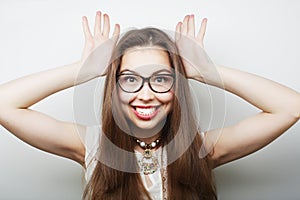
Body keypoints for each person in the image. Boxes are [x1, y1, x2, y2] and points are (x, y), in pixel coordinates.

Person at [0, 11, 299, 200]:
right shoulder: (90, 145)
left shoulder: (202, 149)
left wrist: (209, 72)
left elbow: (291, 107)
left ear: (177, 86)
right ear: (113, 89)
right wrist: (82, 71)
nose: (145, 94)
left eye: (160, 79)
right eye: (130, 79)